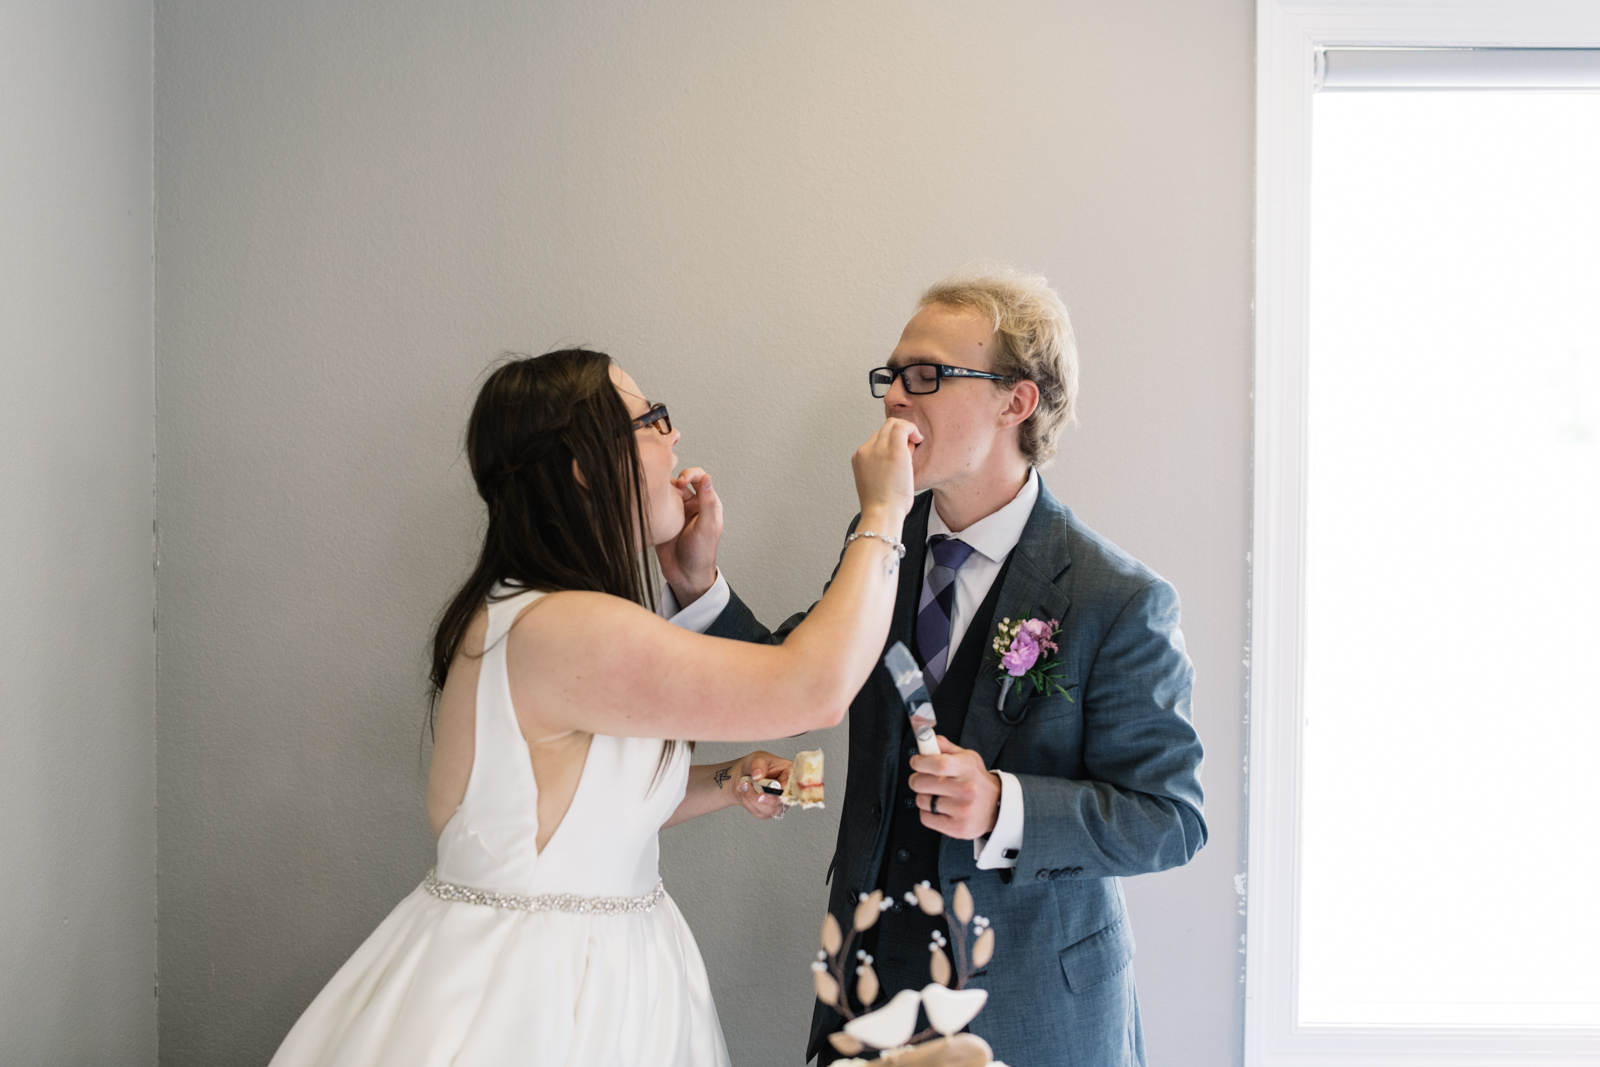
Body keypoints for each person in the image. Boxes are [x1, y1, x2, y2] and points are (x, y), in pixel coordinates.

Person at [268, 349, 918, 1067]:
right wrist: (884, 512)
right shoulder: (564, 627)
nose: (673, 438)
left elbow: (570, 818)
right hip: (539, 999)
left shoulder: (545, 613)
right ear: (586, 464)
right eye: (652, 420)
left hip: (607, 972)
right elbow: (812, 689)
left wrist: (727, 781)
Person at [663, 267, 1207, 1066]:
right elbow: (801, 671)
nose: (893, 398)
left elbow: (1172, 816)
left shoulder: (1115, 596)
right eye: (891, 377)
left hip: (1032, 1002)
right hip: (871, 985)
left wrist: (1004, 804)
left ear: (1016, 401)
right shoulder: (880, 537)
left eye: (927, 376)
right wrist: (696, 582)